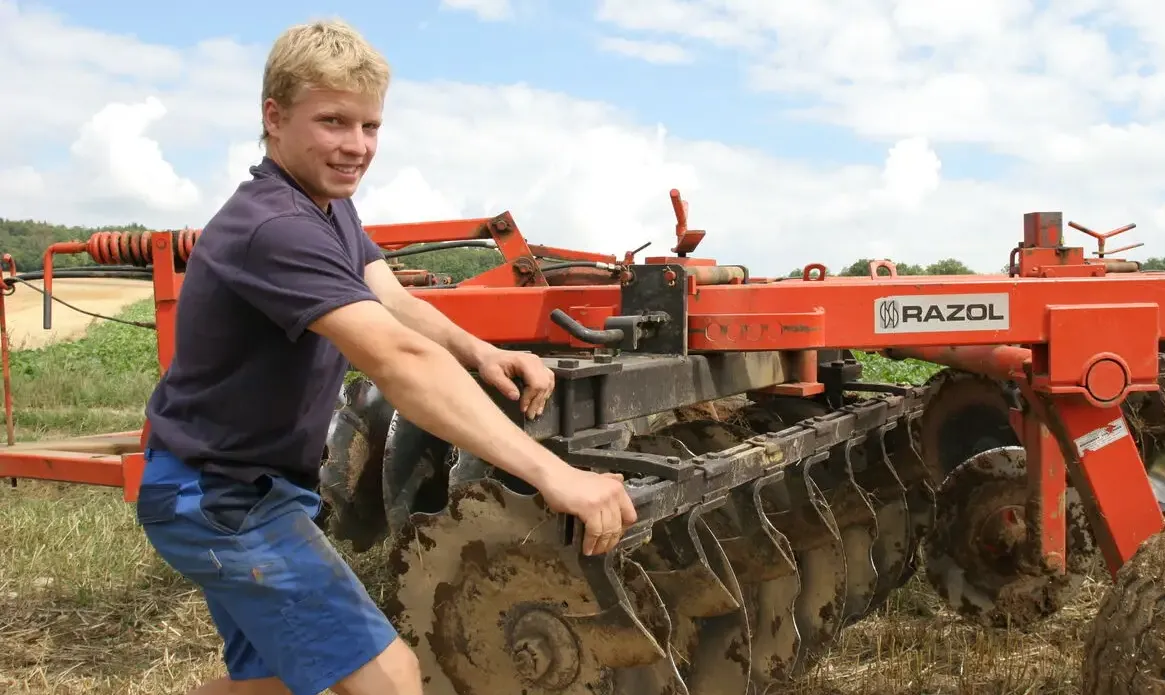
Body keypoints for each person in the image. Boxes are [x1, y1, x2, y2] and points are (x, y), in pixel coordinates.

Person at [133, 18, 638, 695]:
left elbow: (394, 301)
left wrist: (480, 351)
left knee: (282, 684)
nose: (355, 146)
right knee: (391, 681)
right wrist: (554, 474)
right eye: (334, 121)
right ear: (273, 117)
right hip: (221, 497)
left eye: (369, 127)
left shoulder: (326, 208)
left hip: (242, 486)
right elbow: (397, 358)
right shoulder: (274, 227)